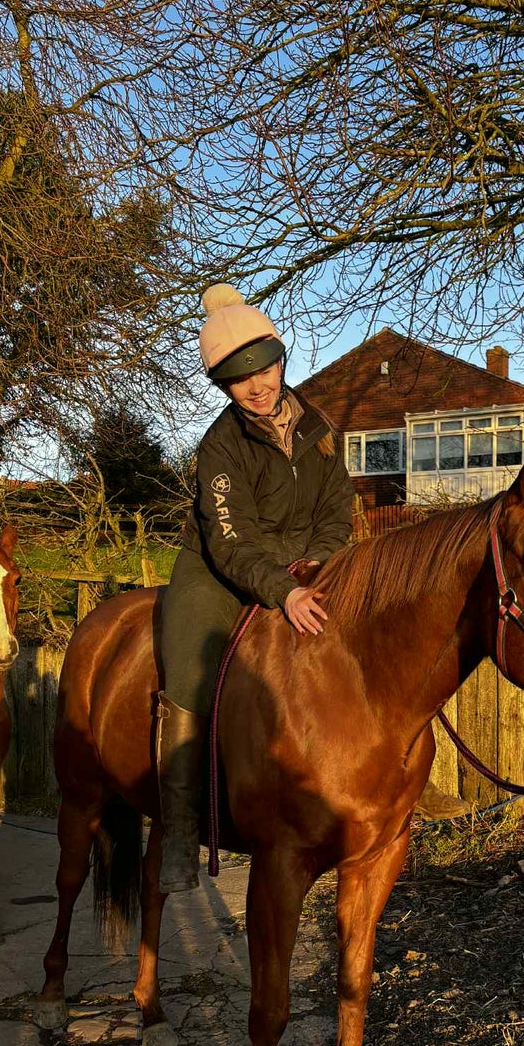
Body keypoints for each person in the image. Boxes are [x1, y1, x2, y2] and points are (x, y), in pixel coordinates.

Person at [156, 284, 354, 892]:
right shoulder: (220, 446)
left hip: (304, 565)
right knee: (188, 672)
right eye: (241, 381)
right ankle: (178, 832)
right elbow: (231, 542)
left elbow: (337, 508)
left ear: (279, 360)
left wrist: (318, 565)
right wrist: (283, 589)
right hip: (219, 567)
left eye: (264, 369)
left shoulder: (317, 428)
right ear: (225, 387)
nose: (258, 386)